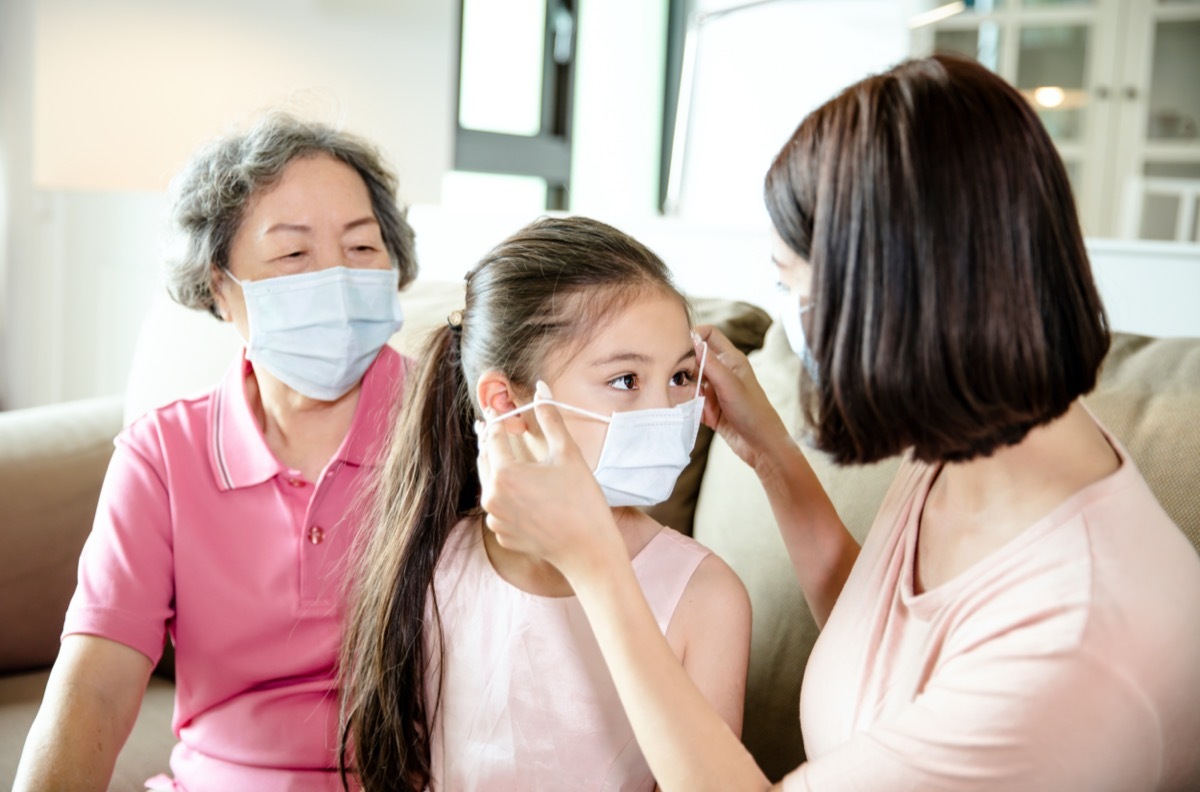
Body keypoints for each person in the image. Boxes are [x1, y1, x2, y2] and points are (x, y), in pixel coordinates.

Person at [475, 55, 1200, 790]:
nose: (792, 329)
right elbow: (891, 651)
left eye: (794, 288)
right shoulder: (976, 441)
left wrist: (597, 565)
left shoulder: (1073, 647)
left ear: (896, 297)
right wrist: (770, 455)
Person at [14, 113, 418, 791]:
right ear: (222, 290)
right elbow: (95, 690)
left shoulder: (450, 431)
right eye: (294, 255)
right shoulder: (163, 455)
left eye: (362, 248)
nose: (337, 280)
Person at [337, 216, 752, 791]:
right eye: (626, 380)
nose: (665, 410)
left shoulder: (707, 596)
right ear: (506, 400)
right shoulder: (435, 559)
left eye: (682, 375)